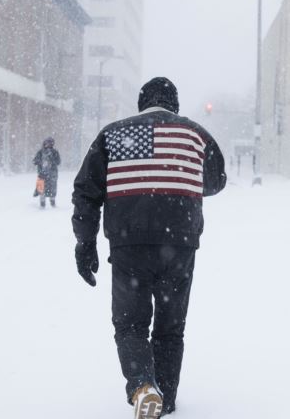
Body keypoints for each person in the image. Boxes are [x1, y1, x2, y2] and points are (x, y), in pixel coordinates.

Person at [71, 77, 226, 418]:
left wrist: (85, 243)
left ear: (142, 103)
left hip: (130, 245)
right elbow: (215, 182)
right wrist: (176, 178)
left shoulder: (113, 135)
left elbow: (86, 192)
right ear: (175, 105)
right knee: (170, 327)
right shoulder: (196, 134)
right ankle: (165, 400)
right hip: (179, 244)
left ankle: (143, 386)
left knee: (130, 324)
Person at [33, 137, 61, 208]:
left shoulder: (55, 152)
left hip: (52, 174)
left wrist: (51, 161)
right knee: (41, 188)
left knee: (52, 188)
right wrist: (41, 162)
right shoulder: (40, 152)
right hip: (42, 173)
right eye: (47, 143)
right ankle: (42, 202)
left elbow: (58, 161)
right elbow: (35, 161)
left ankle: (52, 202)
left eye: (50, 143)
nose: (48, 144)